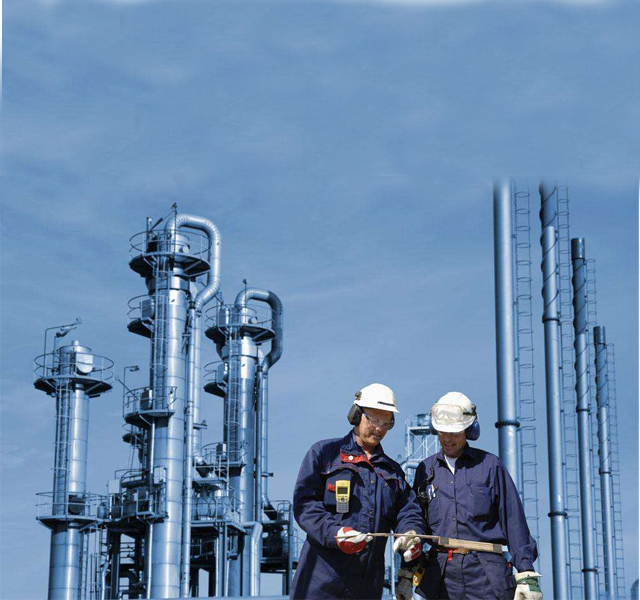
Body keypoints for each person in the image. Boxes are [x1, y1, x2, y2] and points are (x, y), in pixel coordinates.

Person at [400, 392, 542, 600]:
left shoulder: (490, 466)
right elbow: (416, 521)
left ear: (469, 430)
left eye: (454, 433)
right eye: (442, 432)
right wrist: (406, 571)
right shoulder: (425, 470)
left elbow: (513, 520)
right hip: (441, 577)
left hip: (486, 576)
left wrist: (526, 572)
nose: (447, 439)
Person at [290, 383, 425, 599]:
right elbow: (305, 505)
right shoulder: (324, 454)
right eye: (373, 420)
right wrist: (335, 533)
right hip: (320, 583)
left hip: (366, 587)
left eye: (386, 423)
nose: (379, 429)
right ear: (356, 415)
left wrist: (410, 533)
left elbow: (408, 511)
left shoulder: (392, 472)